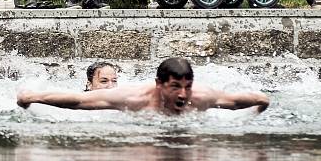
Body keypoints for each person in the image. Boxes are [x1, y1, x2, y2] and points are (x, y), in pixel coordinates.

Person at [18, 57, 269, 115]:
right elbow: (79, 101)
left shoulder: (201, 97)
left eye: (187, 87)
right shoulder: (134, 98)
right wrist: (33, 96)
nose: (183, 95)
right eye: (175, 87)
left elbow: (235, 102)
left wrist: (261, 100)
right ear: (159, 84)